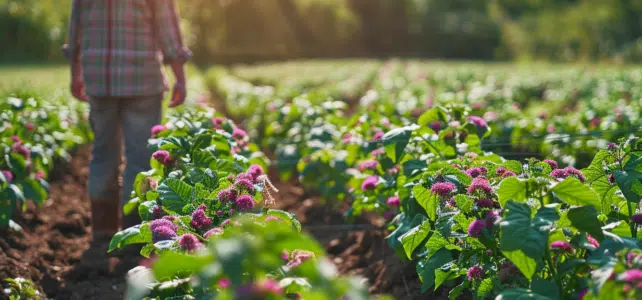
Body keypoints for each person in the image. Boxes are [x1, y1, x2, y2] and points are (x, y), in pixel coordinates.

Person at [63, 0, 191, 240]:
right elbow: (167, 27)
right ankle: (134, 232)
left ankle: (103, 232)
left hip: (98, 77)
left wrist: (75, 72)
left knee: (102, 154)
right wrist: (180, 76)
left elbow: (76, 25)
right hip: (142, 77)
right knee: (140, 159)